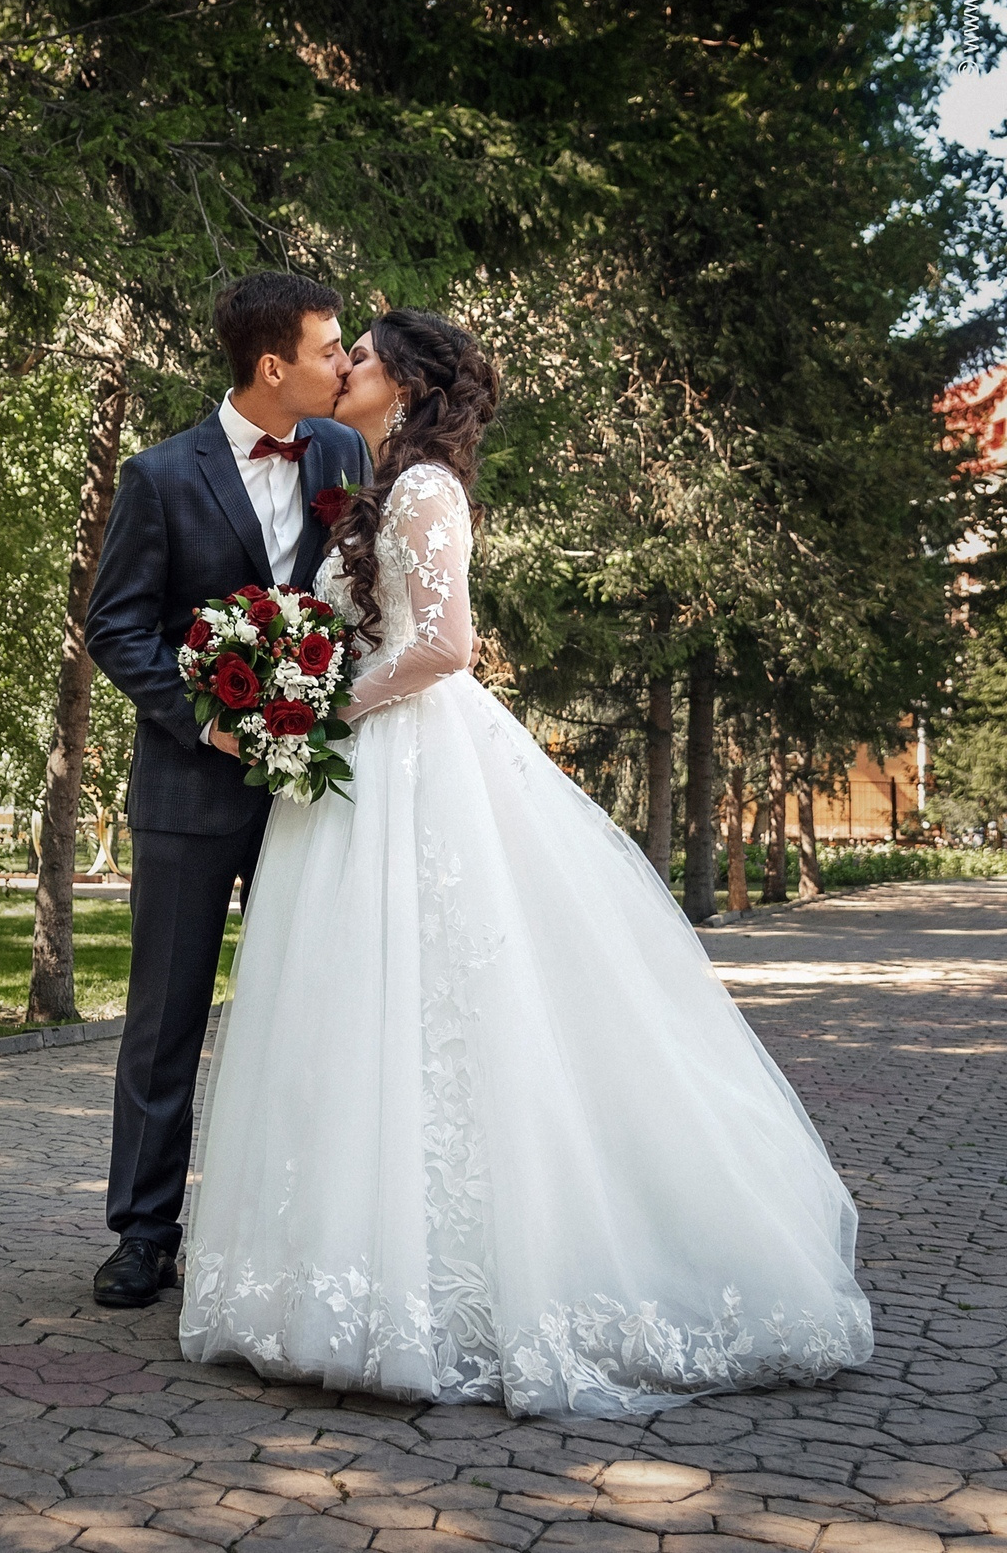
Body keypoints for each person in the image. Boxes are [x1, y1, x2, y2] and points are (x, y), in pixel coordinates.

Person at [176, 310, 874, 1416]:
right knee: (357, 1012)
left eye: (359, 352)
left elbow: (445, 644)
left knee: (438, 1006)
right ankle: (346, 1270)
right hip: (364, 770)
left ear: (402, 381)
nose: (344, 364)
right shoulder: (383, 479)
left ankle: (453, 1283)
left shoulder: (423, 490)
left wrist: (314, 709)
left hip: (408, 760)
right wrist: (288, 691)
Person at [83, 271, 373, 1308]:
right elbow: (114, 625)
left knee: (306, 1012)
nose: (342, 363)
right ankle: (141, 1233)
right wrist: (206, 715)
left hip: (311, 797)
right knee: (165, 1020)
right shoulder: (158, 476)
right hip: (187, 789)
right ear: (271, 366)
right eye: (328, 347)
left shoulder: (344, 454)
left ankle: (292, 1232)